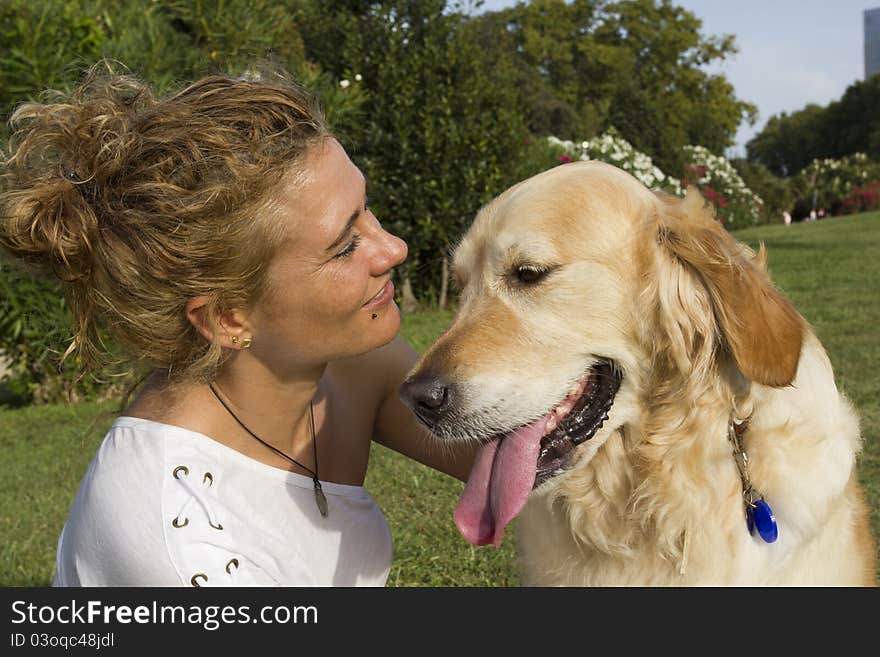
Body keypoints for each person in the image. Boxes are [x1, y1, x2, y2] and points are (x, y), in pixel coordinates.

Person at [0, 63, 477, 586]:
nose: (395, 249)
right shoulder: (185, 549)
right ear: (228, 317)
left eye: (367, 210)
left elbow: (535, 465)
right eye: (344, 245)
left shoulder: (350, 367)